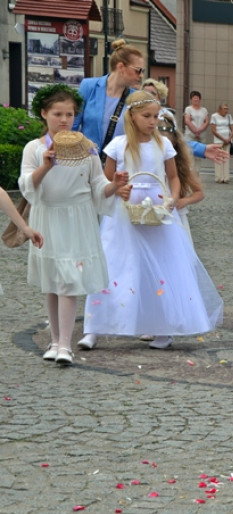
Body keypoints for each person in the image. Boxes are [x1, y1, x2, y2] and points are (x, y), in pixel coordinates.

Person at [78, 91, 223, 352]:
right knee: (114, 265)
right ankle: (94, 327)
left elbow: (173, 177)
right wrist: (117, 188)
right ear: (131, 117)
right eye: (147, 116)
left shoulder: (163, 146)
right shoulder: (117, 145)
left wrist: (173, 198)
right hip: (125, 212)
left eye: (156, 116)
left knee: (159, 269)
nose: (153, 121)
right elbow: (106, 181)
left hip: (156, 208)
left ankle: (162, 327)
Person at [20, 85, 110, 365]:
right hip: (48, 217)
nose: (64, 120)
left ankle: (64, 345)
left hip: (78, 218)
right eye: (58, 114)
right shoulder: (35, 148)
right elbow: (25, 186)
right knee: (52, 281)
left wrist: (115, 186)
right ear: (44, 114)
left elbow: (98, 185)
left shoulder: (88, 148)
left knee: (69, 280)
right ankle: (55, 339)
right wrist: (45, 165)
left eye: (69, 114)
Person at [75, 41, 228, 166]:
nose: (141, 76)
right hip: (89, 167)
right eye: (138, 70)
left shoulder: (138, 98)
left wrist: (202, 149)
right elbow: (72, 128)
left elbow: (162, 132)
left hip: (122, 169)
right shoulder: (88, 87)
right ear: (121, 67)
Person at [158, 111, 205, 245]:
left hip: (175, 217)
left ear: (174, 143)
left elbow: (199, 193)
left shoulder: (181, 165)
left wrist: (184, 201)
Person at [209, 103, 233, 183]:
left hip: (227, 140)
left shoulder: (229, 117)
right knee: (219, 157)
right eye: (224, 109)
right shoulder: (214, 116)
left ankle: (226, 178)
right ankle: (219, 178)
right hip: (218, 140)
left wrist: (229, 138)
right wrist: (223, 139)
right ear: (220, 109)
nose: (226, 110)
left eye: (227, 109)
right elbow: (213, 130)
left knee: (226, 158)